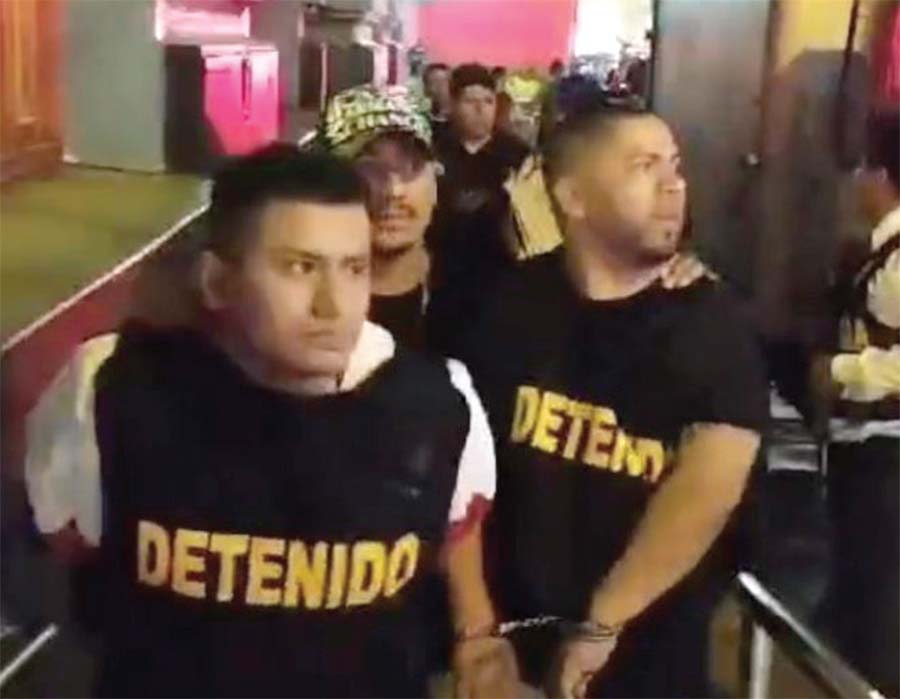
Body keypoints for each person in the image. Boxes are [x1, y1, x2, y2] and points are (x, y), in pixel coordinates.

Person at [31, 146, 519, 697]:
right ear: (217, 281)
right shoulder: (109, 389)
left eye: (353, 268)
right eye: (300, 267)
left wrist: (477, 633)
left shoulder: (439, 404)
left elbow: (456, 526)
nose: (332, 305)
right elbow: (72, 553)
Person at [460, 103, 767, 697]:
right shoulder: (509, 307)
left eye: (675, 165)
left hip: (648, 657)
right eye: (644, 167)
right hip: (514, 650)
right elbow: (465, 480)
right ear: (573, 197)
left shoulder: (709, 321)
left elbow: (709, 485)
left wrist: (604, 621)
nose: (674, 185)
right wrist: (475, 626)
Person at [810, 111, 899, 697]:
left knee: (878, 605)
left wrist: (840, 371)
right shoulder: (876, 248)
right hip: (863, 446)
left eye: (863, 168)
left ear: (881, 175)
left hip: (886, 451)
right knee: (860, 593)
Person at [430, 63, 531, 353]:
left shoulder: (516, 155)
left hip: (500, 280)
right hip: (443, 279)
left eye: (488, 101)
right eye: (470, 101)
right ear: (452, 104)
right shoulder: (434, 150)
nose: (480, 110)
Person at [423, 63, 452, 142]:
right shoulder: (421, 122)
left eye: (443, 83)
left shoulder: (462, 123)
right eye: (434, 83)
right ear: (426, 89)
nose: (440, 89)